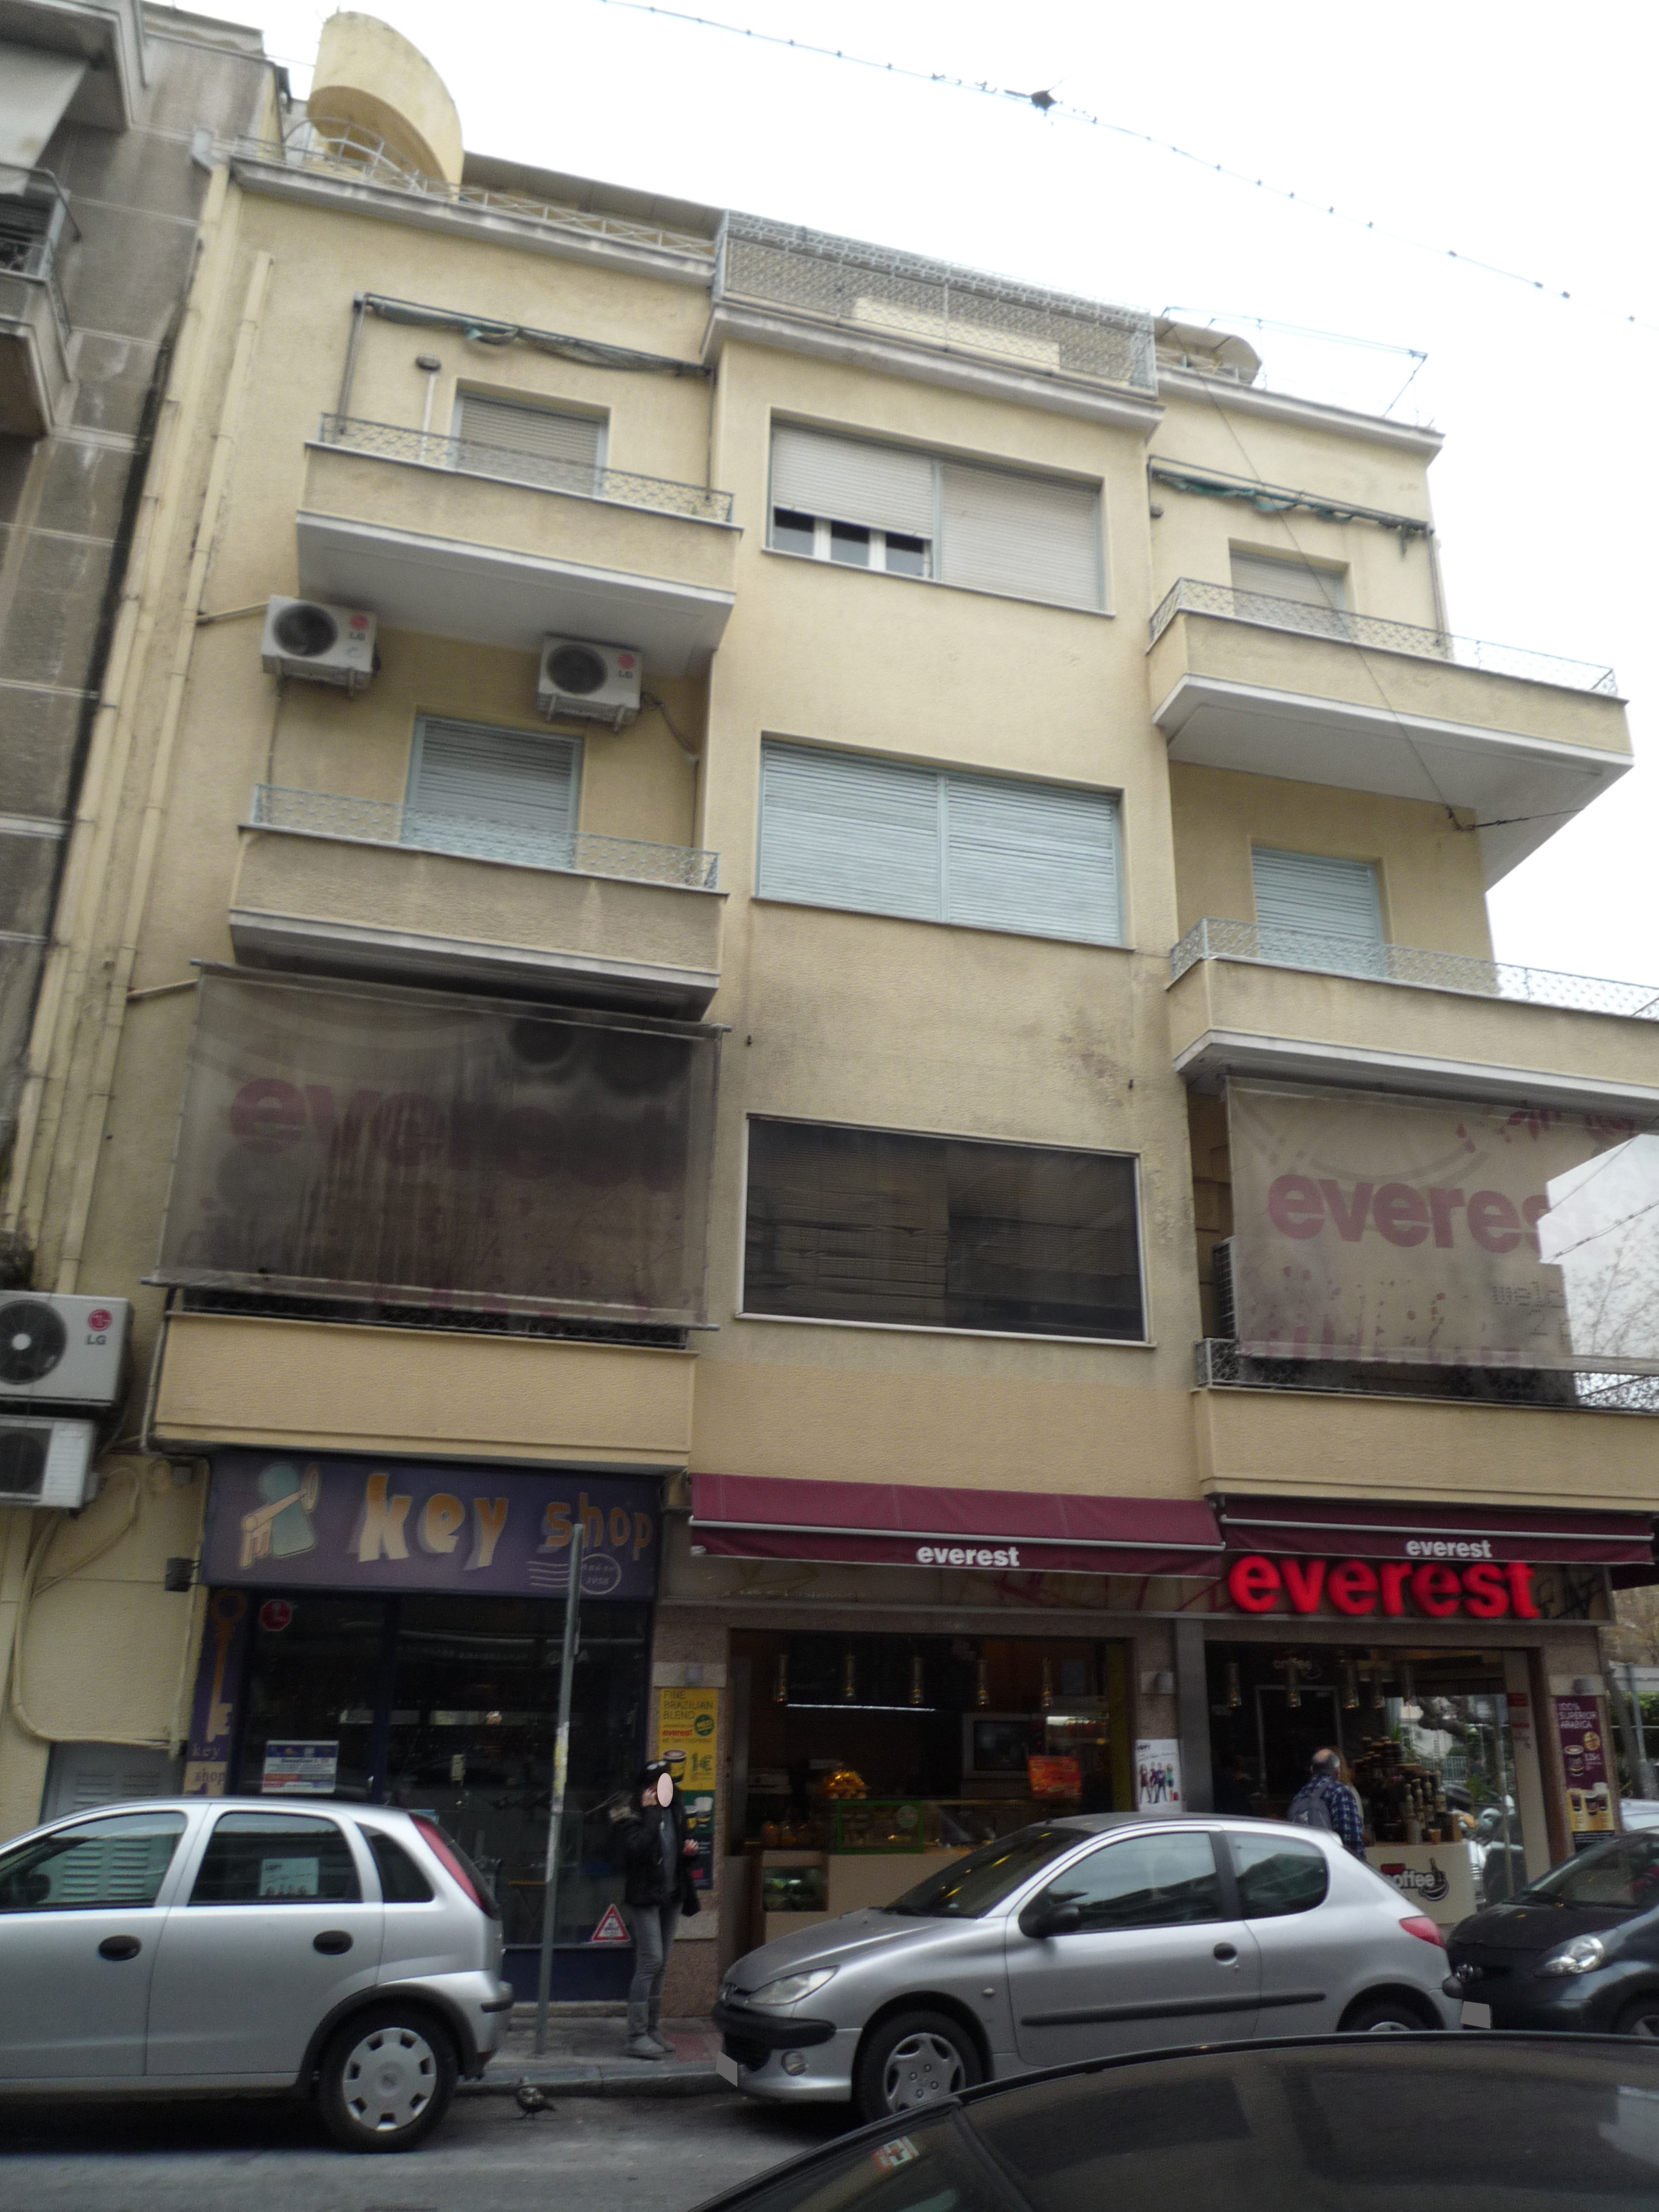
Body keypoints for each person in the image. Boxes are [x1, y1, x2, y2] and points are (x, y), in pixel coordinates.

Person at [617, 1758, 700, 2059]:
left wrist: (690, 1853)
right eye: (654, 1785)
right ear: (645, 1788)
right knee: (651, 1961)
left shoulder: (676, 1810)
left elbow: (681, 1849)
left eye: (665, 1784)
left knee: (662, 1964)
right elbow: (636, 1850)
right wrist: (651, 1813)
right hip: (645, 1896)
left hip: (672, 1894)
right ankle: (636, 2034)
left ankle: (652, 2029)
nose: (660, 1790)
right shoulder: (631, 1813)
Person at [1288, 1746, 1367, 1859]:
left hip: (1311, 1867)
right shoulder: (1340, 1792)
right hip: (1335, 1866)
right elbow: (1351, 1842)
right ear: (1338, 1771)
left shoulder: (1300, 1796)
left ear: (1312, 1770)